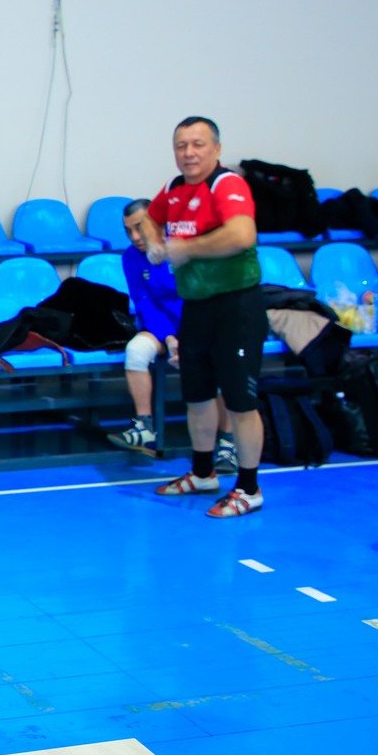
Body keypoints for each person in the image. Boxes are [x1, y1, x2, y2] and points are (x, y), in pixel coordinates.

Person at [145, 117, 268, 517]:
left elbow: (242, 235)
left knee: (240, 402)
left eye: (198, 144)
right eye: (181, 145)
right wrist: (155, 242)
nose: (188, 153)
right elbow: (149, 217)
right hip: (196, 306)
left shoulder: (227, 184)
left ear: (216, 149)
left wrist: (187, 247)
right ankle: (202, 474)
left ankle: (248, 488)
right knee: (197, 396)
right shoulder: (173, 187)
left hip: (236, 307)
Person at [106, 199, 236, 471]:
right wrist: (169, 338)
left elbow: (201, 296)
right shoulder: (130, 258)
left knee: (220, 364)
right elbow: (144, 303)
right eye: (128, 231)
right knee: (136, 350)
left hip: (200, 322)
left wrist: (188, 338)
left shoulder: (184, 247)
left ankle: (228, 444)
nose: (135, 237)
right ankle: (144, 427)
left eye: (140, 228)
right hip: (162, 327)